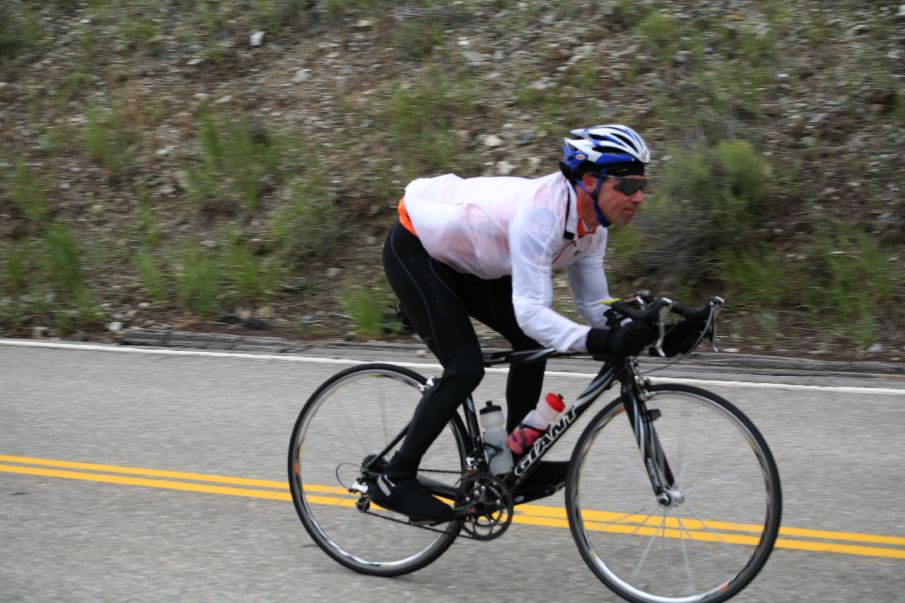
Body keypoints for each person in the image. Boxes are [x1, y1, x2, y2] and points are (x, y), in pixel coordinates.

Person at [372, 124, 659, 522]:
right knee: (465, 366)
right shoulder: (541, 216)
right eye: (628, 186)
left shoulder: (593, 228)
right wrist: (600, 341)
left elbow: (594, 304)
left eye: (643, 185)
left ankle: (510, 462)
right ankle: (395, 477)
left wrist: (650, 326)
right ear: (590, 181)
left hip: (474, 261)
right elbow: (531, 310)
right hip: (417, 246)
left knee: (530, 343)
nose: (639, 196)